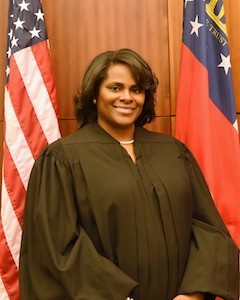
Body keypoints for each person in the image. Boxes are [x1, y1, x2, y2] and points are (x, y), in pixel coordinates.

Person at [19, 48, 239, 300]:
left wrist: (193, 293)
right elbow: (56, 247)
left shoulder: (173, 153)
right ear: (94, 95)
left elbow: (208, 228)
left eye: (136, 89)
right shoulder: (62, 159)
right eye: (115, 88)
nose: (127, 97)